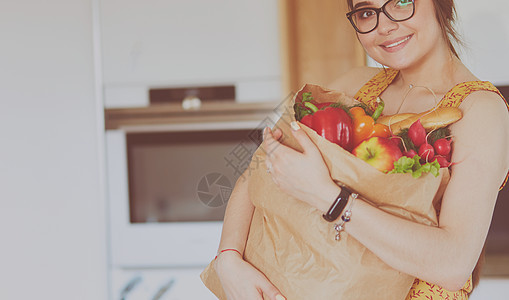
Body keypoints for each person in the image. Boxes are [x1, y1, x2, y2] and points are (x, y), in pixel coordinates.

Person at [212, 0, 509, 299]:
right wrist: (228, 257)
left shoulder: (482, 110)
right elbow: (257, 167)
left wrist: (327, 196)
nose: (385, 25)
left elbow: (454, 265)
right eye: (367, 13)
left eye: (402, 2)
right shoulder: (351, 84)